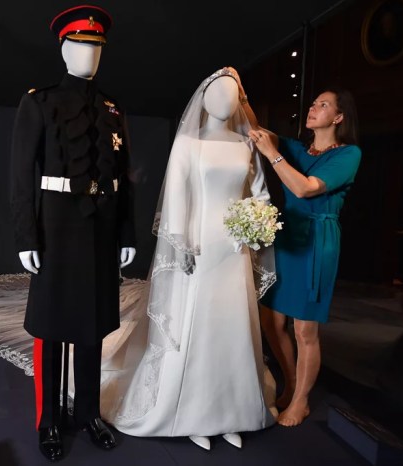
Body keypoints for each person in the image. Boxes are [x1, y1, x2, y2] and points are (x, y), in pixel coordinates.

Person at [102, 67, 277, 451]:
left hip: (235, 247)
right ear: (205, 97)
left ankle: (233, 411)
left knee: (232, 325)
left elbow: (259, 191)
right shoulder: (188, 143)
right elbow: (177, 196)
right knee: (197, 324)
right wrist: (179, 242)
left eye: (234, 94)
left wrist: (260, 221)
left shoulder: (246, 143)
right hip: (199, 244)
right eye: (220, 92)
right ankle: (194, 414)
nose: (227, 100)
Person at [10, 5, 136, 462]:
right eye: (81, 45)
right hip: (56, 227)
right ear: (63, 48)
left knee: (92, 325)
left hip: (101, 229)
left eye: (96, 47)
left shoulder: (113, 109)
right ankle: (48, 420)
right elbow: (22, 175)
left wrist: (126, 232)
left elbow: (123, 178)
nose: (89, 55)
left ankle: (88, 412)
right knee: (51, 326)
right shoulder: (39, 102)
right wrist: (27, 236)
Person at [241, 80, 362, 427]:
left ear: (339, 117)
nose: (312, 108)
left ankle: (301, 401)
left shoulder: (348, 154)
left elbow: (305, 188)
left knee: (304, 329)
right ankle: (292, 382)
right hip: (288, 236)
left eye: (322, 105)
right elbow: (256, 129)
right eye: (312, 103)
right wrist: (242, 94)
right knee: (270, 319)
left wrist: (273, 154)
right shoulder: (299, 150)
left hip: (316, 241)